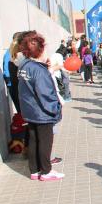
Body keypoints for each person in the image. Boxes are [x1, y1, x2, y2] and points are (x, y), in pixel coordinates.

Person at [18, 31, 64, 181]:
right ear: (39, 49)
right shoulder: (38, 70)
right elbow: (45, 94)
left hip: (29, 110)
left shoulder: (24, 65)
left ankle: (35, 170)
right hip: (42, 112)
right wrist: (55, 110)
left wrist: (44, 65)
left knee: (33, 140)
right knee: (45, 140)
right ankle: (46, 171)